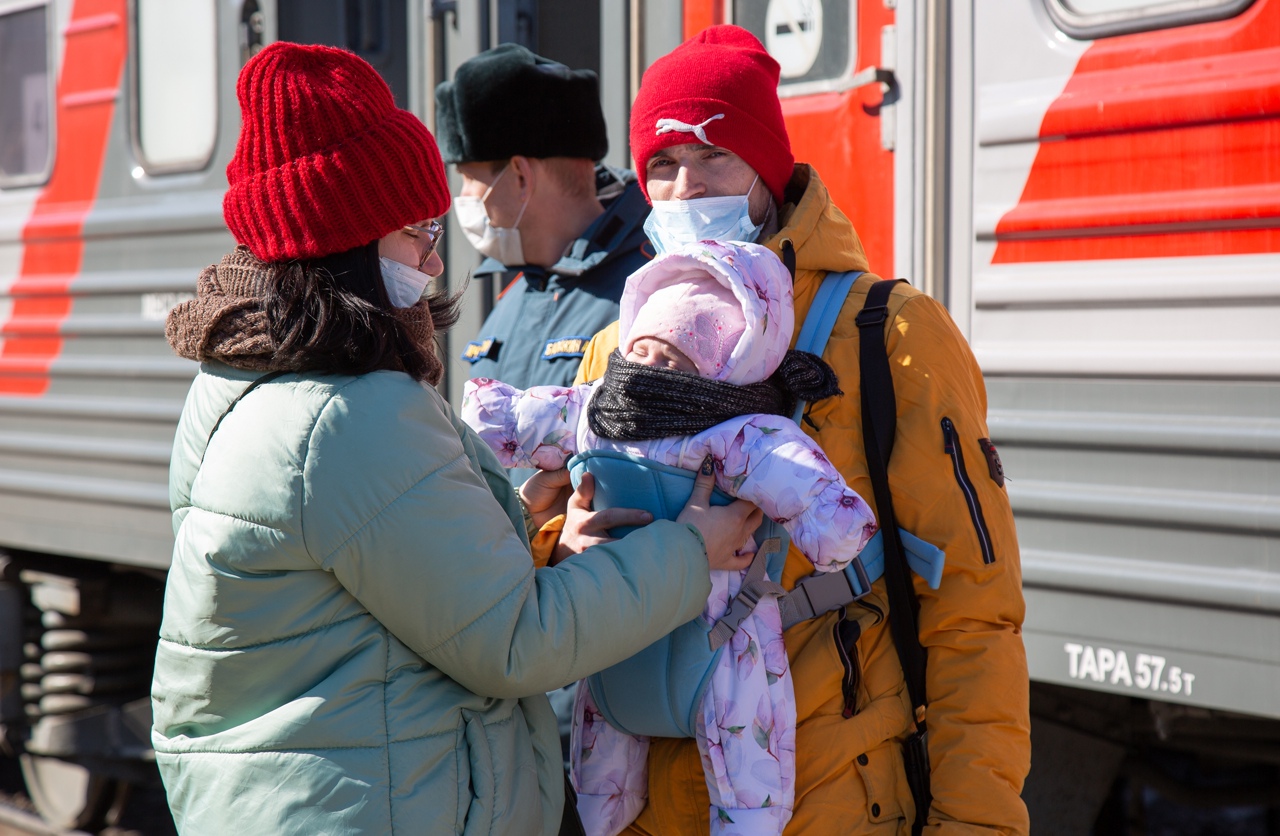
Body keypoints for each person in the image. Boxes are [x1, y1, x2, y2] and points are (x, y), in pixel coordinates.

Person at [149, 42, 763, 836]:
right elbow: (515, 642)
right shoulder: (344, 413)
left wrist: (510, 517)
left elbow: (385, 571)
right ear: (346, 244)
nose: (435, 261)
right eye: (414, 235)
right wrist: (689, 551)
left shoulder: (242, 379)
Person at [571, 25, 1032, 835]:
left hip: (831, 800)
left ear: (768, 171)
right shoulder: (619, 346)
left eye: (713, 157)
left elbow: (972, 605)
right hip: (649, 806)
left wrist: (976, 822)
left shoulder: (888, 333)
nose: (684, 189)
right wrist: (561, 541)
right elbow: (548, 536)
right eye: (662, 166)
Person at [463, 240, 880, 835]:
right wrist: (492, 415)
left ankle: (750, 821)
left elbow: (794, 474)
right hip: (616, 625)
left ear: (722, 367)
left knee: (745, 731)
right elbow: (533, 417)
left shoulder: (736, 432)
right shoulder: (601, 412)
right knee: (600, 735)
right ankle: (601, 815)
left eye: (675, 361)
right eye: (643, 353)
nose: (651, 371)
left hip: (722, 627)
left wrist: (836, 529)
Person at [435, 44, 653, 391]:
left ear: (520, 175)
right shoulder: (514, 296)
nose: (462, 197)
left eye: (470, 177)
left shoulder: (648, 289)